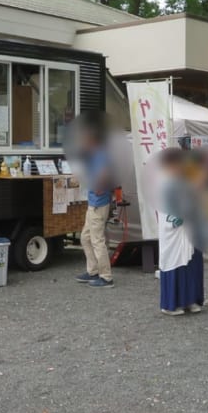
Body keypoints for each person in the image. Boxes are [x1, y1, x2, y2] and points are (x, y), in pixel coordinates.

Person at [157, 148, 205, 315]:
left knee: (193, 262)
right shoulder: (164, 182)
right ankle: (171, 304)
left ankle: (191, 300)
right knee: (176, 262)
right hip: (175, 229)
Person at [75, 119, 115, 289]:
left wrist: (98, 188)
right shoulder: (96, 153)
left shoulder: (99, 153)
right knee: (85, 237)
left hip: (98, 203)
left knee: (97, 240)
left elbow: (105, 175)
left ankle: (106, 277)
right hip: (94, 203)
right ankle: (93, 271)